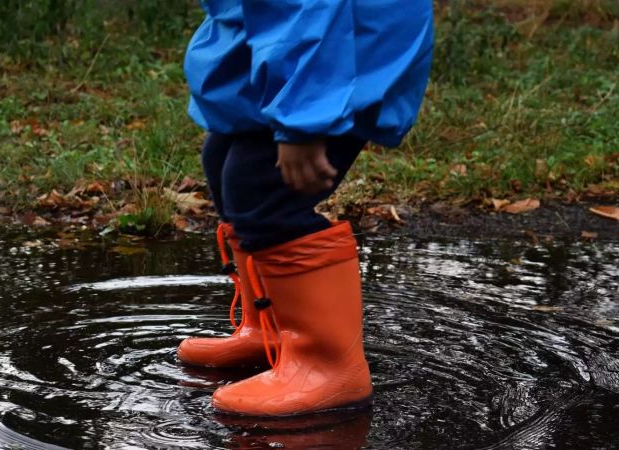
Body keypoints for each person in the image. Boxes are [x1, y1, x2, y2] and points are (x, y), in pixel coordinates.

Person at [177, 0, 434, 416]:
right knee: (222, 158)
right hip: (294, 47)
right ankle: (271, 329)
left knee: (261, 189)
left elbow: (306, 10)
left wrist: (303, 120)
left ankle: (328, 368)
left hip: (340, 53)